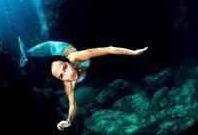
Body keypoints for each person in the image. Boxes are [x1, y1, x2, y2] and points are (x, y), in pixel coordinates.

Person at [18, 36, 148, 131]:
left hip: (60, 48)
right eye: (62, 76)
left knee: (49, 45)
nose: (68, 75)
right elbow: (72, 105)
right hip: (57, 56)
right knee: (43, 53)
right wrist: (68, 121)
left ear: (68, 63)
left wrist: (134, 52)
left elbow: (109, 49)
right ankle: (27, 53)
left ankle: (27, 53)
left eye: (65, 68)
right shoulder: (68, 82)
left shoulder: (77, 57)